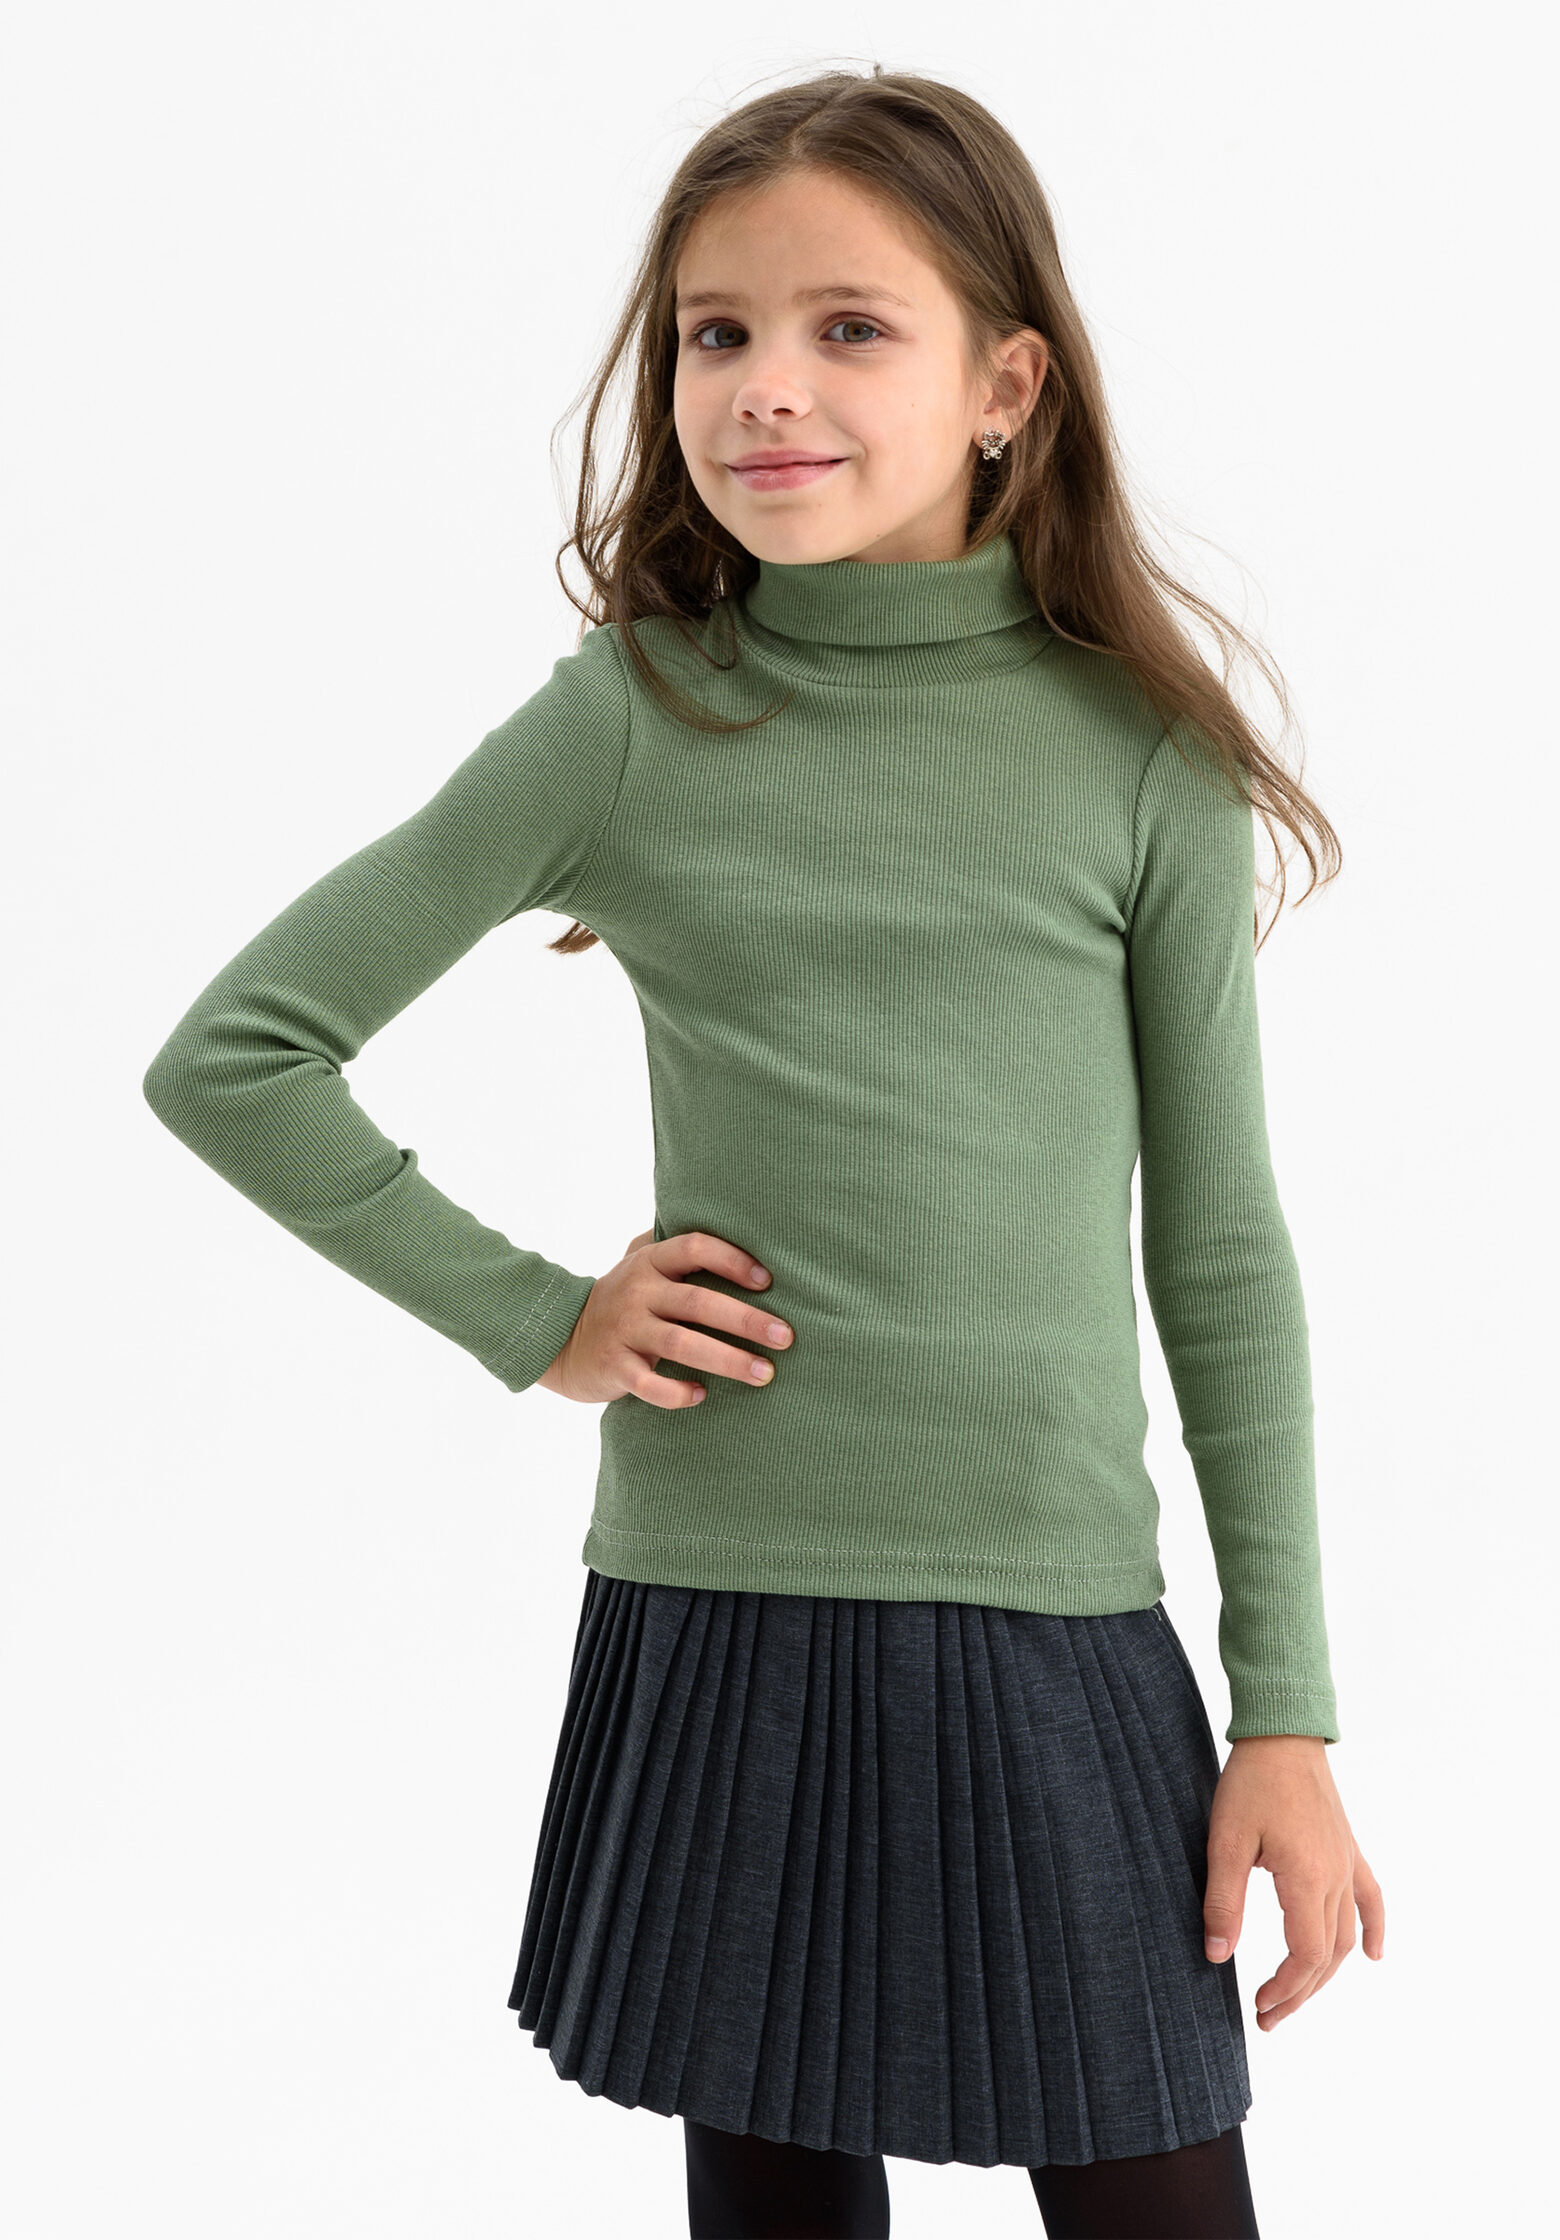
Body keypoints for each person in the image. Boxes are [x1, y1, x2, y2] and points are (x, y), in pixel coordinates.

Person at [142, 63, 1384, 2240]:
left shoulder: (1137, 759)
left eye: (849, 327)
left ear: (1006, 386)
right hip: (723, 1599)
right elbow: (237, 1056)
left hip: (1051, 1610)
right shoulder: (635, 716)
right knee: (777, 2198)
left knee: (1158, 2182)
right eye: (716, 333)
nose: (765, 387)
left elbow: (1220, 1252)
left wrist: (1283, 1707)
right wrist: (542, 1318)